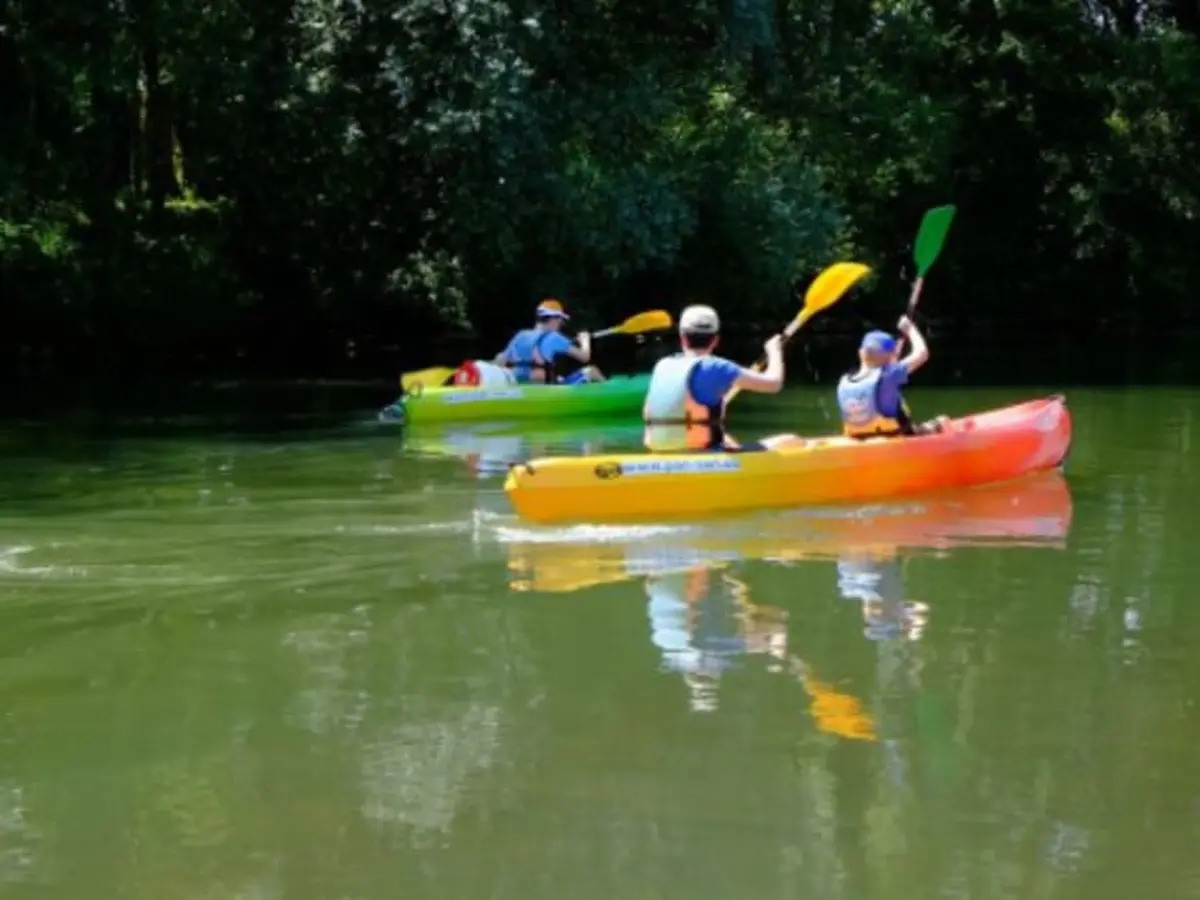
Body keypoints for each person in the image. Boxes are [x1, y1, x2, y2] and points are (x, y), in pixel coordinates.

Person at [642, 305, 785, 451]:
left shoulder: (662, 365)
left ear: (682, 338)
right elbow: (774, 383)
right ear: (715, 340)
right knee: (791, 441)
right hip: (703, 457)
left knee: (727, 439)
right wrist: (774, 350)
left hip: (661, 455)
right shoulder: (718, 367)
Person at [836, 315, 949, 438]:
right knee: (943, 421)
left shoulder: (844, 381)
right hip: (896, 439)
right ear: (890, 356)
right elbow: (922, 353)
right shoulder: (889, 375)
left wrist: (892, 359)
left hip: (856, 441)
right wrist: (910, 328)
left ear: (860, 353)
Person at [493, 299, 604, 385]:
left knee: (558, 377)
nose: (560, 324)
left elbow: (500, 360)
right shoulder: (554, 337)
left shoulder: (521, 335)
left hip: (518, 383)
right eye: (560, 321)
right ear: (554, 319)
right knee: (592, 371)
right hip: (542, 387)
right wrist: (585, 341)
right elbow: (585, 357)